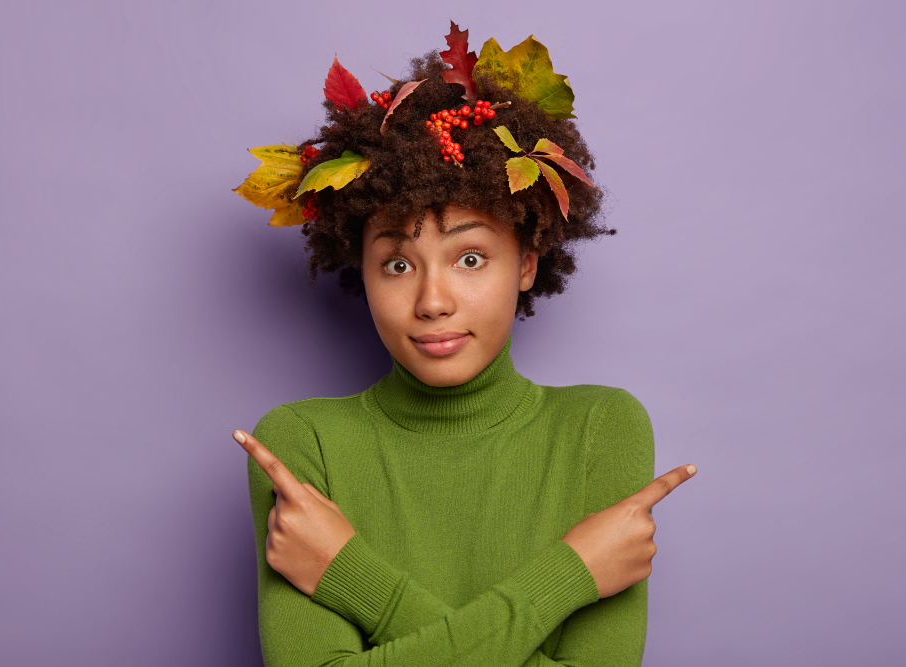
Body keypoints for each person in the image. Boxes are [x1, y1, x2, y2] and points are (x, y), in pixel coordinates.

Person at [231, 24, 697, 666]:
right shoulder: (301, 445)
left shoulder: (601, 430)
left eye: (470, 258)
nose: (432, 300)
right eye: (397, 264)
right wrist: (572, 573)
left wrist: (351, 578)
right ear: (359, 270)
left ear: (528, 262)